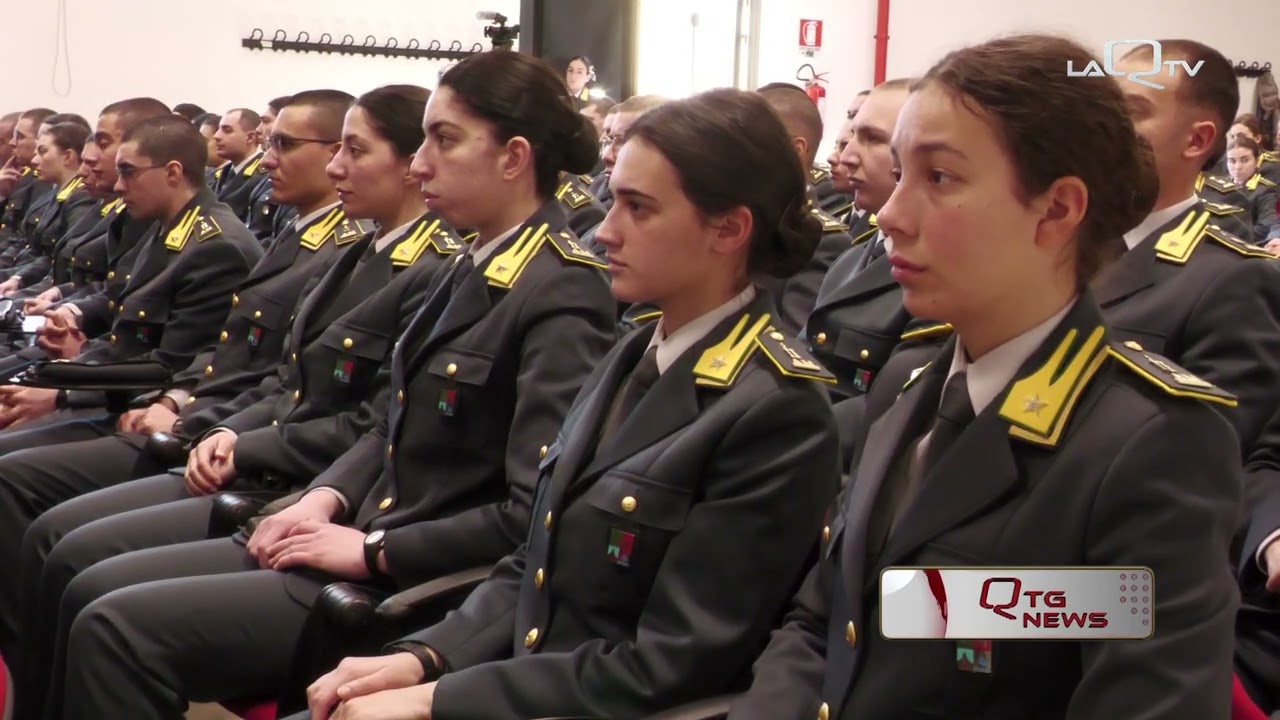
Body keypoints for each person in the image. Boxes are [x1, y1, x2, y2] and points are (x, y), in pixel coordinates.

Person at [48, 51, 618, 718]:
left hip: (414, 583)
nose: (420, 164)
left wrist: (375, 549)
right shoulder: (473, 264)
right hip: (348, 530)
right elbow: (389, 423)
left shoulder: (559, 290)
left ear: (513, 157)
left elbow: (530, 514)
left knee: (114, 625)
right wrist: (325, 496)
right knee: (86, 581)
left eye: (444, 140)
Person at [731, 33, 1241, 720]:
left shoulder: (1147, 444)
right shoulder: (911, 383)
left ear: (1056, 210)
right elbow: (825, 624)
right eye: (900, 174)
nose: (891, 215)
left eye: (939, 178)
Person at [298, 85, 840, 720]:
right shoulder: (635, 350)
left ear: (729, 229)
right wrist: (426, 655)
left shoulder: (774, 411)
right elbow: (536, 558)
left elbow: (670, 664)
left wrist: (439, 698)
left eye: (638, 209)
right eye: (614, 202)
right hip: (525, 681)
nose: (605, 231)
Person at [0, 83, 460, 719]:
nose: (333, 167)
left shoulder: (431, 269)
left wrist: (226, 436)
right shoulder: (349, 248)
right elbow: (278, 377)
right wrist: (202, 417)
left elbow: (370, 424)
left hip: (294, 483)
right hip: (243, 444)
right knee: (68, 554)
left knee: (88, 579)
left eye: (351, 151)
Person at [0, 116, 263, 431]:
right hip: (113, 383)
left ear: (172, 173)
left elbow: (169, 367)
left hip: (144, 409)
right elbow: (121, 311)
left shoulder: (215, 248)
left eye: (128, 172)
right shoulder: (167, 225)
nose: (118, 185)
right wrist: (72, 335)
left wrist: (63, 389)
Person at [1105, 39, 1280, 509]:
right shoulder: (1052, 248)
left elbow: (1198, 464)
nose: (1105, 128)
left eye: (1131, 112)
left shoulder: (1232, 281)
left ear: (1197, 140)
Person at [803, 79, 927, 403]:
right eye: (853, 135)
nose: (846, 157)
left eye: (872, 139)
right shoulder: (849, 260)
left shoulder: (936, 274)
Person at [755, 83, 854, 335]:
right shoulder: (748, 219)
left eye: (749, 142)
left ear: (795, 150)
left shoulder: (821, 240)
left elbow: (794, 343)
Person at [0, 122, 95, 295]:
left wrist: (18, 283)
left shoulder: (81, 199)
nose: (35, 160)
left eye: (43, 152)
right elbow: (28, 247)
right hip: (27, 278)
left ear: (67, 157)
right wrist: (16, 278)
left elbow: (62, 264)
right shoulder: (54, 194)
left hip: (53, 292)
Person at [211, 108, 266, 218]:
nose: (216, 136)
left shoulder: (262, 177)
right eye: (218, 129)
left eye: (227, 130)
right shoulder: (222, 173)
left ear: (250, 137)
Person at [1223, 136, 1279, 244]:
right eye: (1232, 161)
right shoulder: (1217, 186)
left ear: (1256, 161)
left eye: (1244, 160)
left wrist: (1230, 236)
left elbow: (1265, 227)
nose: (1238, 167)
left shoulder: (1265, 191)